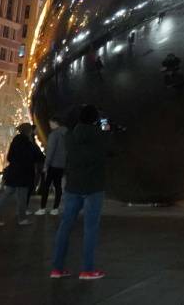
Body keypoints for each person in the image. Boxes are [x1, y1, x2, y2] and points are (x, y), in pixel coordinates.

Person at [50, 105, 111, 281]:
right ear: (94, 119)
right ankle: (87, 270)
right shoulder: (100, 135)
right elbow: (108, 137)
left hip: (73, 186)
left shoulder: (69, 136)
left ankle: (57, 268)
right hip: (93, 187)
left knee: (65, 226)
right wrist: (105, 120)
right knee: (90, 228)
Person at [0, 123, 43, 225]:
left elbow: (9, 157)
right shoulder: (28, 143)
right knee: (22, 197)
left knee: (6, 194)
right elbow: (36, 157)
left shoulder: (15, 140)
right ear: (29, 131)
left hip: (13, 172)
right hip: (24, 173)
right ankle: (22, 219)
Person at [38, 119, 69, 216]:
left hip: (52, 164)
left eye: (50, 123)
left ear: (55, 123)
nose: (50, 125)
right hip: (62, 165)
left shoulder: (54, 135)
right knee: (58, 186)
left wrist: (46, 165)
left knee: (46, 186)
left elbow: (51, 151)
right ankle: (55, 208)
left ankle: (42, 208)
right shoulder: (67, 135)